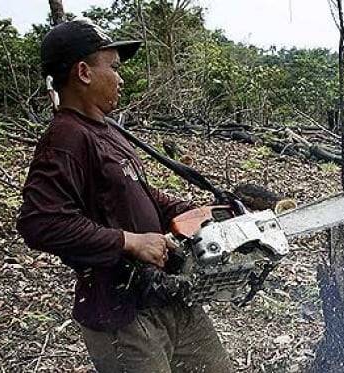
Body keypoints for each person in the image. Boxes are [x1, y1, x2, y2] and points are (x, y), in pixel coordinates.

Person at [16, 20, 233, 372]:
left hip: (168, 294)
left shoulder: (108, 129)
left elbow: (139, 194)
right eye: (113, 68)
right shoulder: (66, 138)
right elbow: (40, 222)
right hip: (121, 312)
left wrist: (194, 213)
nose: (120, 79)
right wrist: (129, 241)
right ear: (83, 72)